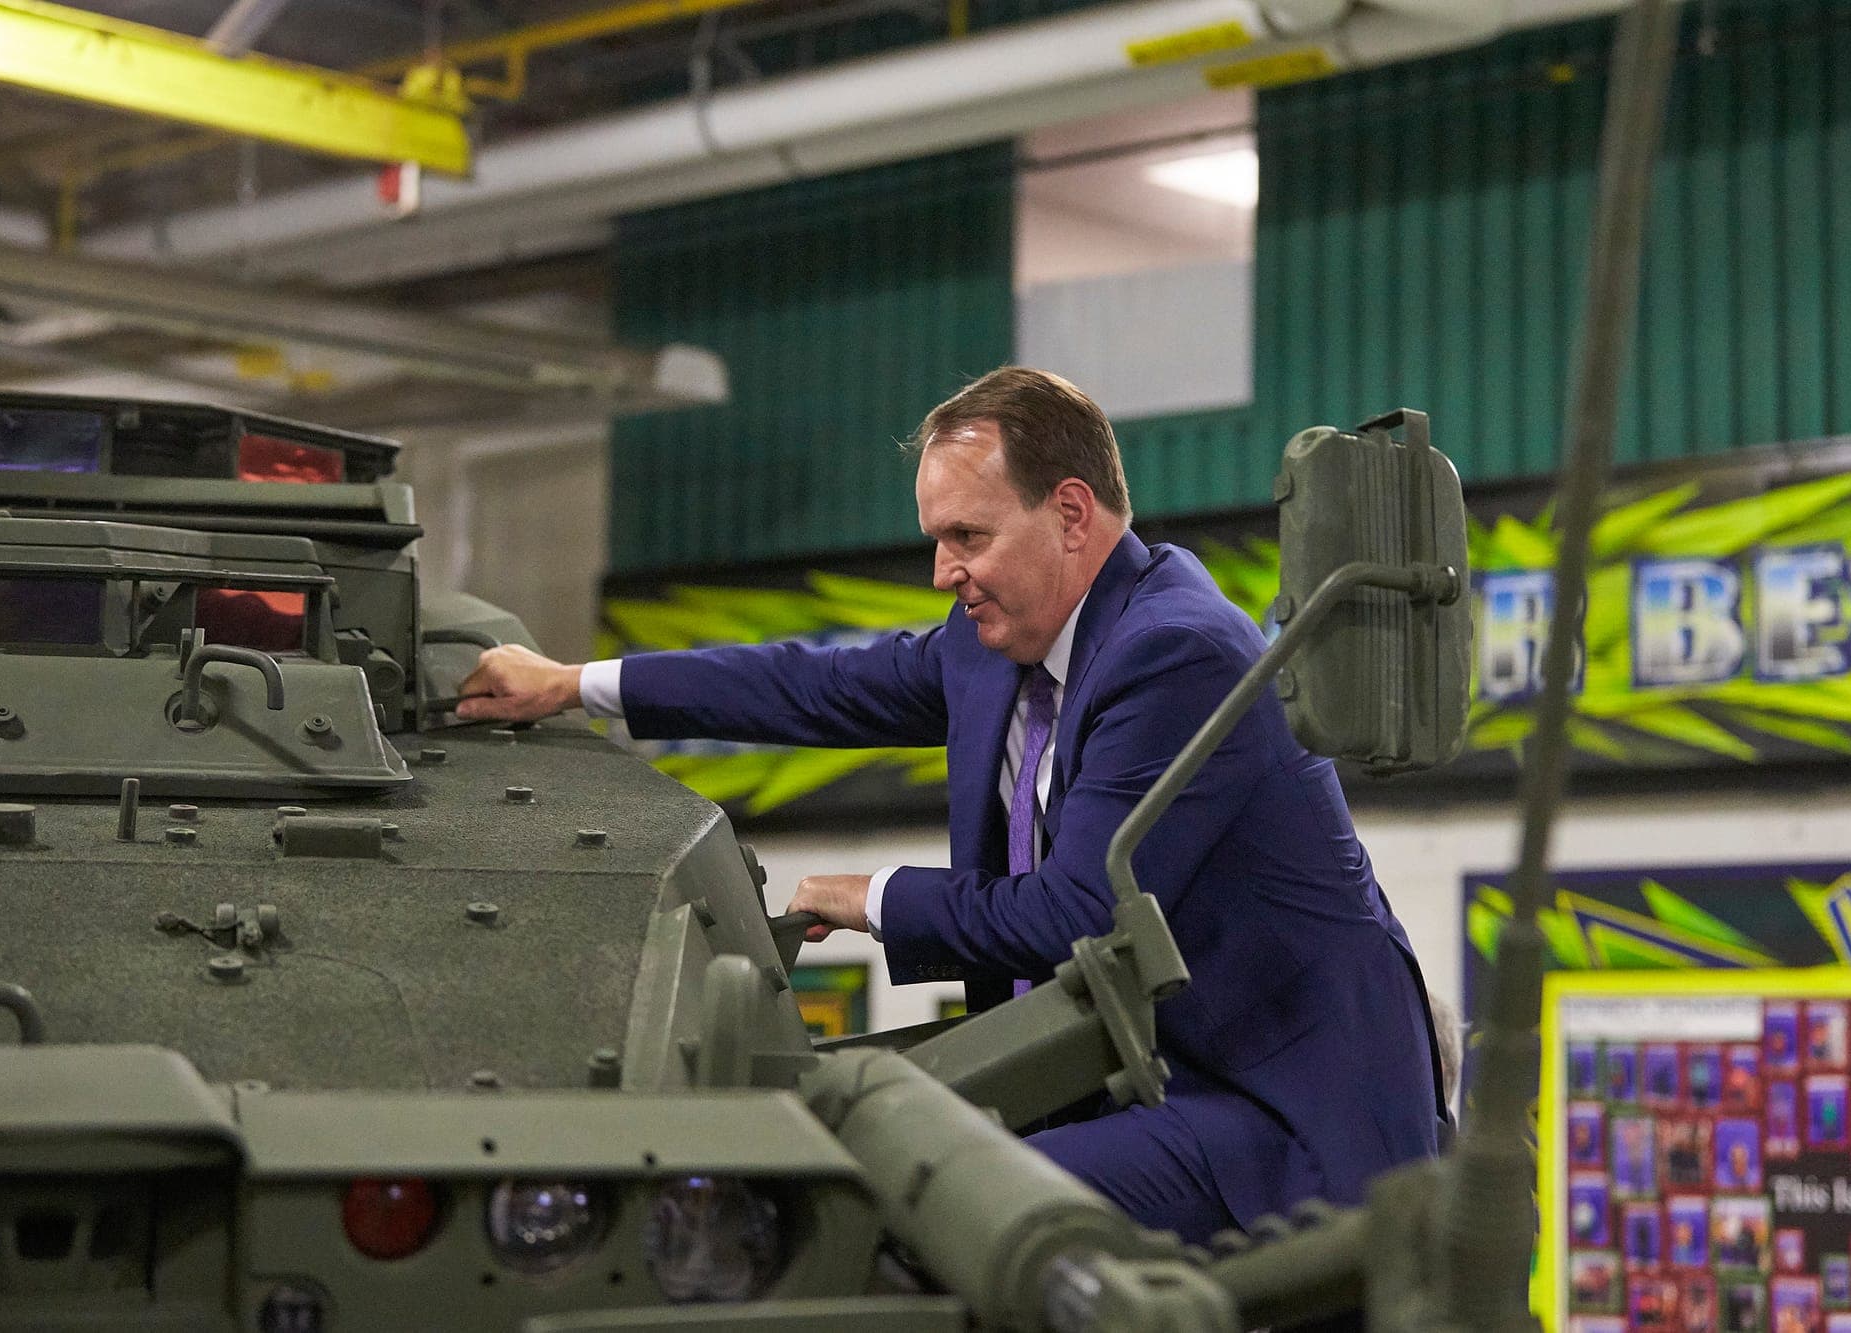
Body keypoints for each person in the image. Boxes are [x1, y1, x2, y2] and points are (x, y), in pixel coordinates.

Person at [456, 366, 1443, 1243]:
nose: (943, 572)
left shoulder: (1175, 650)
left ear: (1068, 513)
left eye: (966, 535)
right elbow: (803, 684)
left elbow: (1074, 913)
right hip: (1144, 1075)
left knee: (916, 1208)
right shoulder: (992, 644)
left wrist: (871, 895)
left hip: (1276, 1108)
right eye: (937, 540)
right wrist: (571, 682)